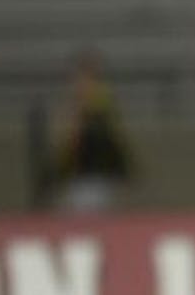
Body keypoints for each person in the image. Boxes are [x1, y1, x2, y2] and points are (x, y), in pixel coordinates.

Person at [52, 48, 134, 213]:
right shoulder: (86, 96)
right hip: (85, 169)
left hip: (93, 167)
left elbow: (105, 132)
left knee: (92, 206)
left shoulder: (96, 96)